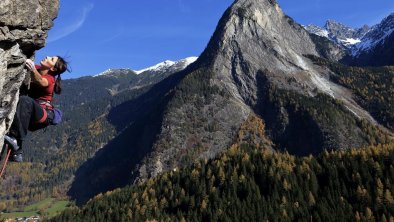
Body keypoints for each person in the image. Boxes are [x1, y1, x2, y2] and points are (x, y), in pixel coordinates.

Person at [4, 56, 69, 162]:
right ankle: (16, 152)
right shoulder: (38, 68)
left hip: (42, 115)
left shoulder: (50, 79)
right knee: (22, 102)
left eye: (51, 59)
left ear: (52, 68)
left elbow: (41, 81)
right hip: (29, 114)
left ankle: (16, 143)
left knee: (25, 100)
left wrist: (32, 69)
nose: (47, 57)